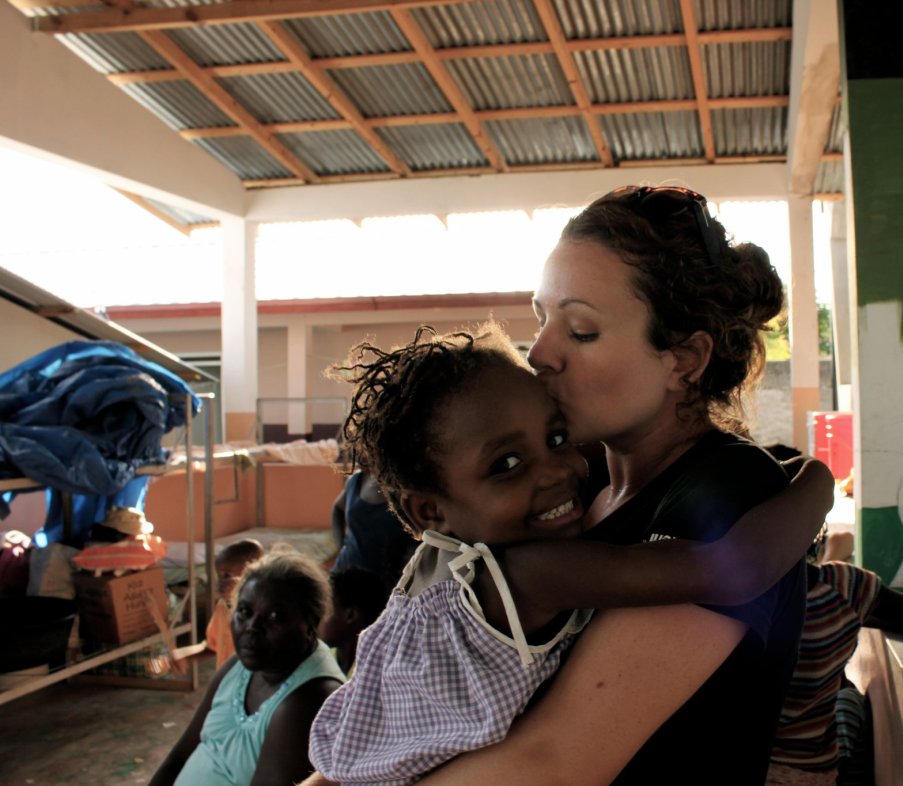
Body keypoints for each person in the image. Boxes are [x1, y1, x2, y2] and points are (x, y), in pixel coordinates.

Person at [405, 184, 832, 785]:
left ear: (684, 360)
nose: (540, 354)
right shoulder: (575, 483)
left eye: (580, 331)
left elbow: (552, 762)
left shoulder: (727, 495)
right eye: (541, 318)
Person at [307, 323, 830, 785]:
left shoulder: (429, 571)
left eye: (557, 437)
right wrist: (817, 481)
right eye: (507, 463)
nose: (557, 470)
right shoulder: (531, 574)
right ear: (428, 510)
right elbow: (737, 571)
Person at [766, 531, 903, 786]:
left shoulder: (716, 602)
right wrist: (856, 613)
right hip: (811, 772)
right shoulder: (842, 587)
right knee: (850, 694)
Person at [151, 550, 345, 786]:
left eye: (275, 617)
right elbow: (178, 757)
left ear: (310, 624)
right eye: (244, 612)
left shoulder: (308, 698)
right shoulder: (239, 667)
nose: (253, 627)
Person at [330, 470, 418, 587]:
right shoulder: (356, 480)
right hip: (343, 576)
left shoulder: (408, 488)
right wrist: (341, 546)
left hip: (385, 588)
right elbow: (337, 509)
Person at [204, 538, 265, 670]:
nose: (221, 582)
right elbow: (212, 646)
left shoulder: (263, 606)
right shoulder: (222, 606)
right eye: (219, 576)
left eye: (227, 575)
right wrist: (183, 655)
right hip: (228, 681)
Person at [319, 566, 388, 675]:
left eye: (324, 610)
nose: (316, 619)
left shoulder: (376, 669)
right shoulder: (325, 656)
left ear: (350, 615)